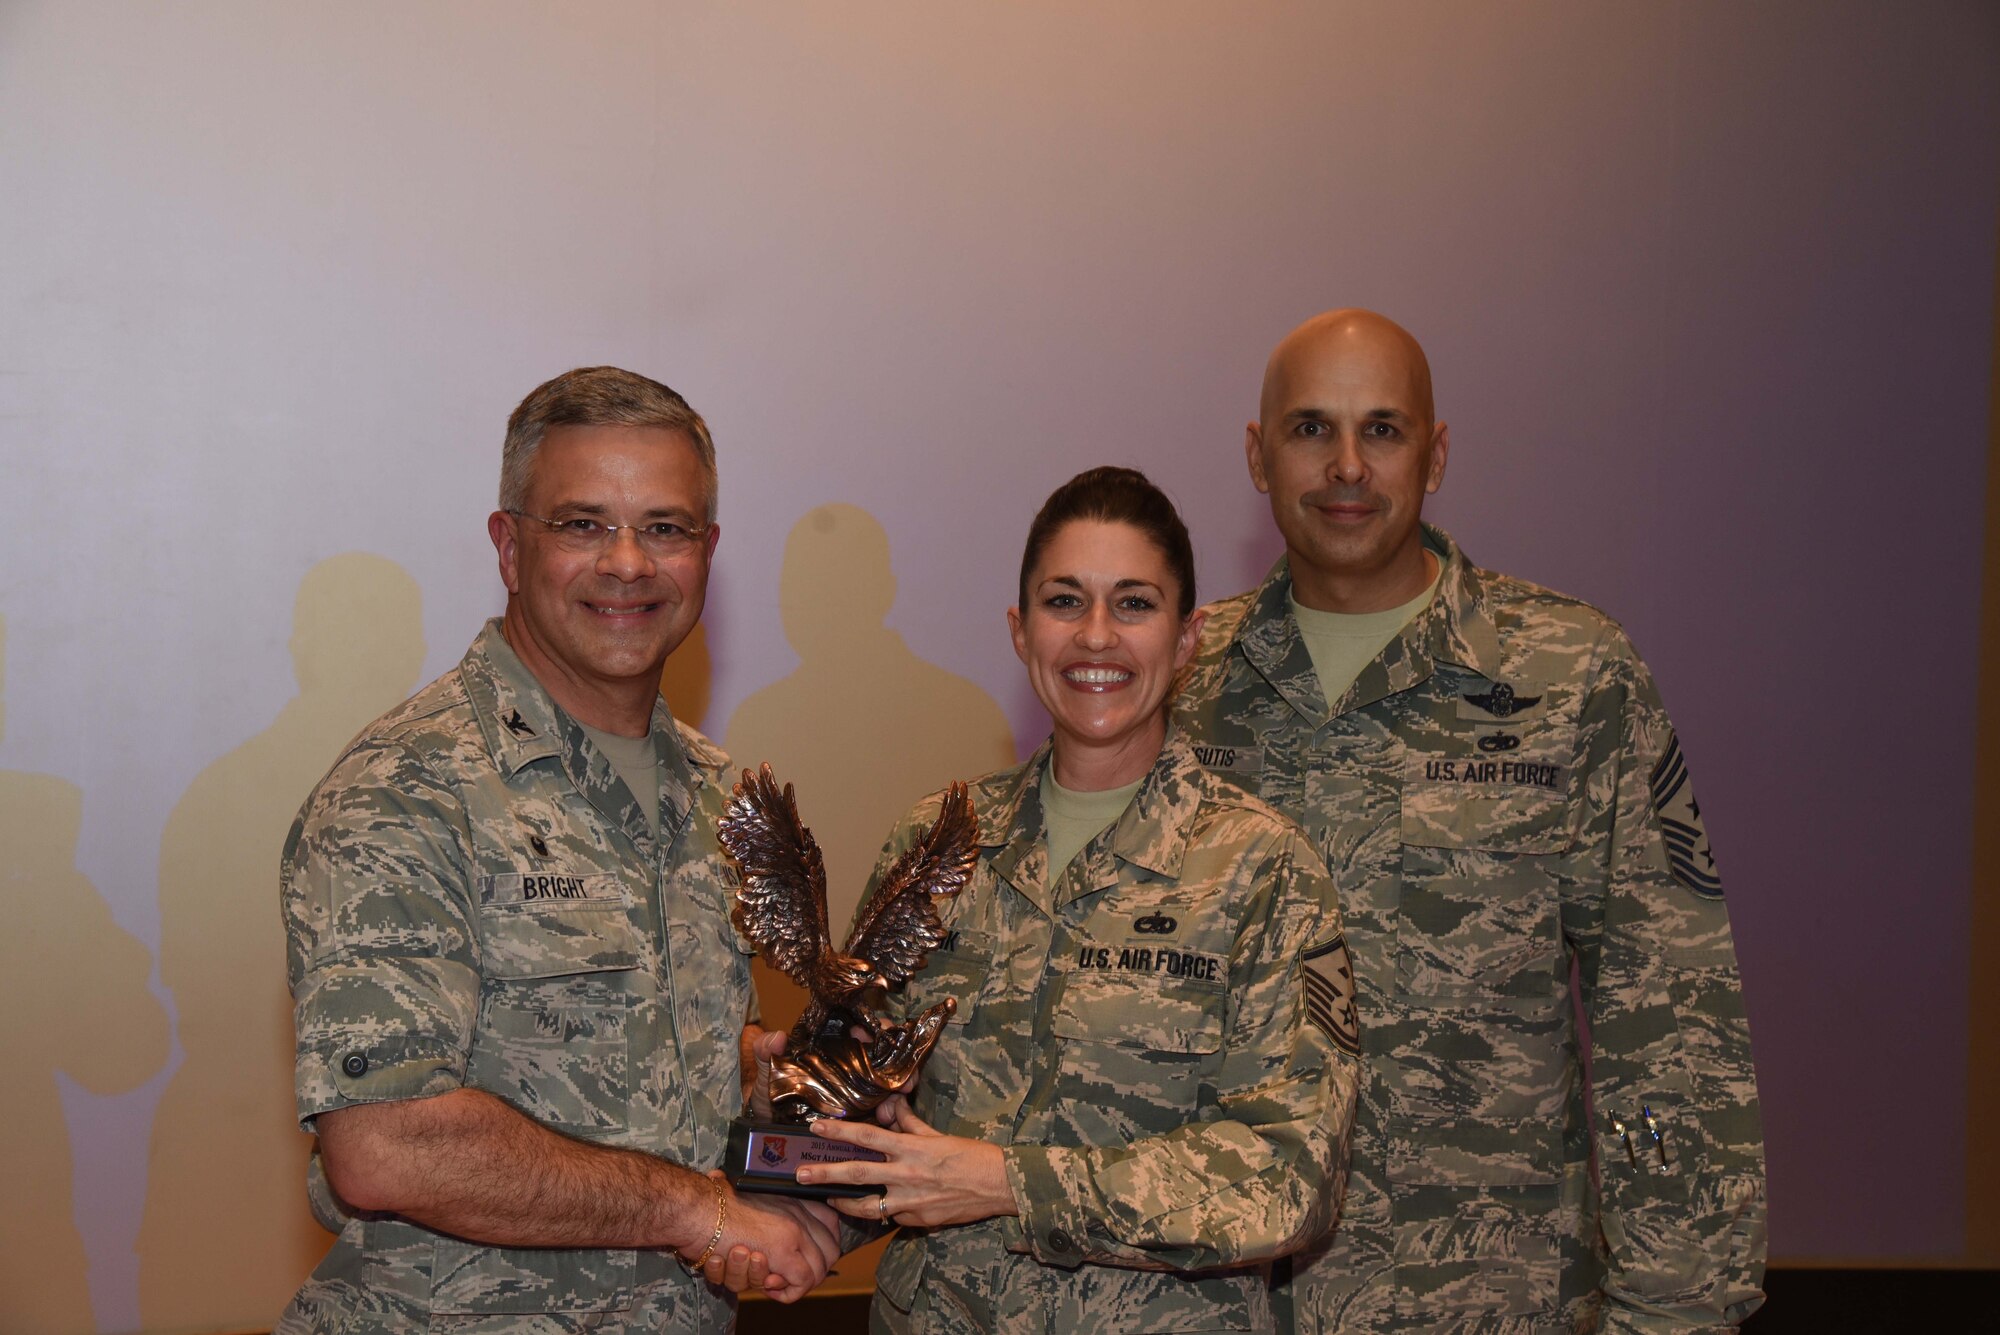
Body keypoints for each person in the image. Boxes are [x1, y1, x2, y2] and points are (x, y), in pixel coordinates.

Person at [1171, 310, 1767, 1331]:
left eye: (1384, 431)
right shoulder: (1179, 685)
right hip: (1218, 1301)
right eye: (1310, 429)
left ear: (1435, 453)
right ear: (1255, 455)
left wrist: (1676, 1308)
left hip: (1492, 1301)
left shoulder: (1571, 676)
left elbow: (1667, 1021)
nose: (1346, 466)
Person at [277, 367, 840, 1335]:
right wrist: (691, 1208)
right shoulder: (409, 789)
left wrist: (760, 1086)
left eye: (664, 528)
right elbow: (384, 1142)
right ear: (507, 546)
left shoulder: (716, 794)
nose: (627, 563)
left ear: (706, 554)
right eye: (582, 524)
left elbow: (632, 1065)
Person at [798, 467, 1362, 1334]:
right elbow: (870, 1096)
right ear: (1021, 633)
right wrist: (798, 1116)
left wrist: (1006, 1182)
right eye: (1065, 601)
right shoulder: (939, 841)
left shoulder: (1264, 870)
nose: (1095, 636)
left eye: (1134, 603)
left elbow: (1292, 1176)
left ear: (1188, 639)